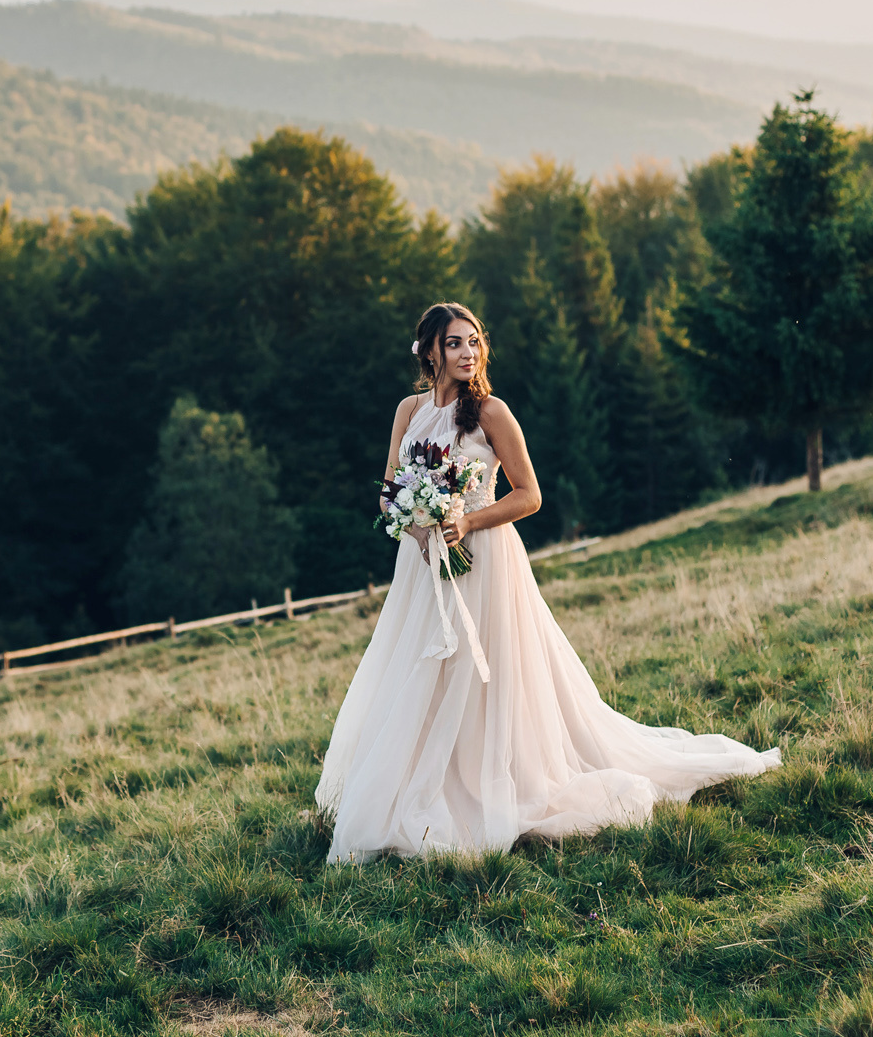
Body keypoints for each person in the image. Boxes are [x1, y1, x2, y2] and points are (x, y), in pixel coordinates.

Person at [315, 301, 778, 862]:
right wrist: (414, 524)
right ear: (430, 350)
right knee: (422, 672)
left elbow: (529, 495)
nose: (468, 352)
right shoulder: (408, 410)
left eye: (475, 341)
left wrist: (464, 520)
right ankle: (419, 783)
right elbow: (390, 489)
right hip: (422, 565)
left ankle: (492, 781)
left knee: (481, 674)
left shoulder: (490, 412)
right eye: (456, 343)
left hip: (484, 560)